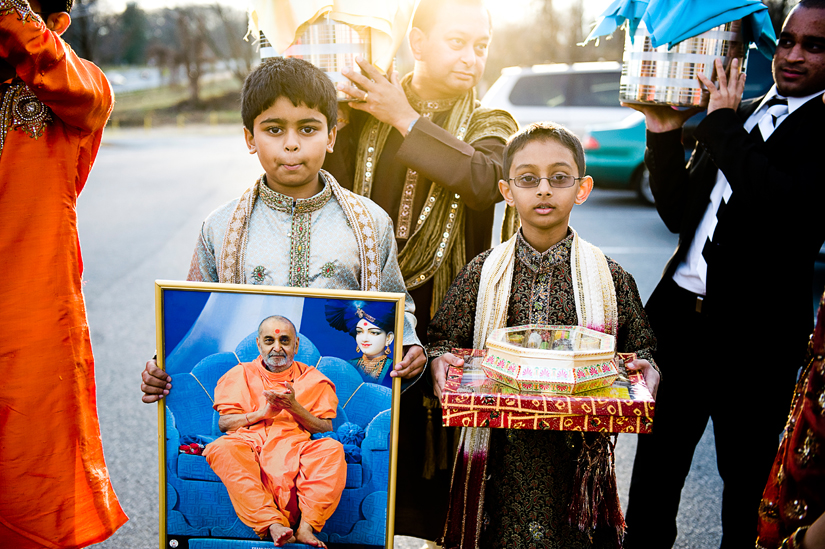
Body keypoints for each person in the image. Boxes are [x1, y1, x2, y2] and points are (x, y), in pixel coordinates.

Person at [622, 2, 825, 547]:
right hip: (679, 329)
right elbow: (678, 215)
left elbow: (786, 210)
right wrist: (664, 136)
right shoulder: (744, 112)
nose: (794, 55)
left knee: (745, 497)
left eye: (814, 45)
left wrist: (722, 125)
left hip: (756, 345)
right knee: (652, 486)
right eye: (786, 41)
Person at [326, 1, 518, 536]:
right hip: (365, 305)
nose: (472, 58)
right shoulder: (367, 109)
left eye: (481, 46)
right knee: (356, 453)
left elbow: (484, 182)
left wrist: (402, 118)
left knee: (430, 478)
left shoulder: (491, 121)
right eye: (457, 42)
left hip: (446, 316)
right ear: (417, 42)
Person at [428, 122, 660, 549]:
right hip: (500, 454)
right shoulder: (482, 274)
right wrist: (439, 360)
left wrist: (646, 367)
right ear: (506, 190)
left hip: (573, 459)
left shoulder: (608, 278)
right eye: (528, 179)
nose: (544, 190)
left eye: (559, 177)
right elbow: (443, 340)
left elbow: (640, 345)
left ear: (582, 188)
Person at [141, 57, 426, 402]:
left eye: (308, 129)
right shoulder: (219, 228)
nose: (291, 144)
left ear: (331, 135)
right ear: (250, 138)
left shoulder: (371, 222)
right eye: (274, 130)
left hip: (334, 398)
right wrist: (165, 363)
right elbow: (197, 314)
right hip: (250, 401)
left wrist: (409, 345)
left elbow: (396, 305)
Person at [0, 1, 128, 547]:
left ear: (55, 23)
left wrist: (12, 15)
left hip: (29, 304)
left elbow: (83, 94)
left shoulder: (79, 84)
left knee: (30, 459)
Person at [204, 315, 346, 548]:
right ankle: (272, 524)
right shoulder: (240, 374)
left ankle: (306, 527)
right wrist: (263, 413)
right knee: (221, 448)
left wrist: (294, 407)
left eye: (284, 340)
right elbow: (225, 424)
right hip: (250, 442)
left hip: (297, 445)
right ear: (259, 344)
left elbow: (325, 427)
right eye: (269, 340)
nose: (277, 348)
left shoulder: (313, 380)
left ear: (296, 345)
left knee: (331, 449)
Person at [325, 299, 396, 386]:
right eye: (359, 332)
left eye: (373, 332)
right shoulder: (348, 366)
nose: (364, 339)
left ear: (389, 338)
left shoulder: (394, 368)